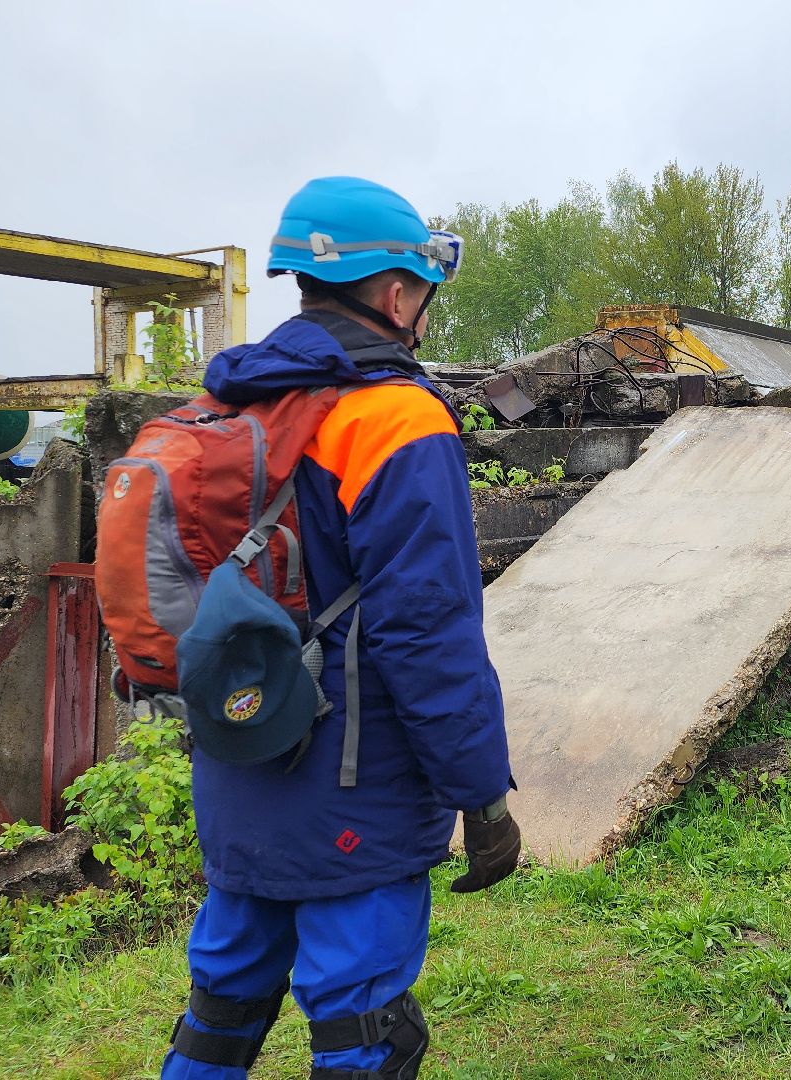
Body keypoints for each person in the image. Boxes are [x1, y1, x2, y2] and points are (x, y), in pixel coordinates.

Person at [159, 176, 521, 1080]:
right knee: (364, 1028)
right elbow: (427, 631)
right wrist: (482, 793)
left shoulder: (232, 407)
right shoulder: (393, 418)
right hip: (358, 784)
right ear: (398, 294)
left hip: (239, 756)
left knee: (222, 1006)